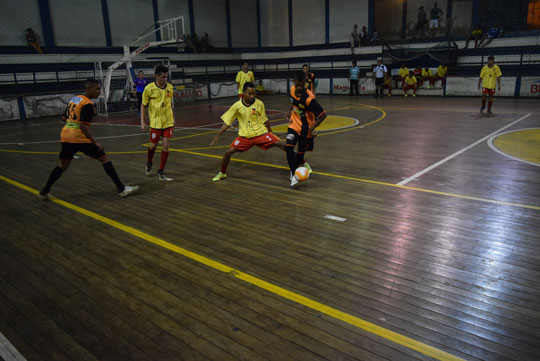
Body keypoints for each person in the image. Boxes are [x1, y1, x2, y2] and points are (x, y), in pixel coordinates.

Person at [39, 79, 138, 199]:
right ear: (88, 89)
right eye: (97, 89)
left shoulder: (75, 99)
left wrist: (71, 126)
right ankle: (121, 189)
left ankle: (45, 190)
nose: (99, 92)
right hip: (79, 138)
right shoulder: (87, 104)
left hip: (66, 137)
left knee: (62, 165)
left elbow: (64, 118)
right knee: (104, 159)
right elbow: (83, 125)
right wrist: (94, 142)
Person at [210, 82, 286, 182]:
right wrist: (218, 135)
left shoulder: (259, 103)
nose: (252, 96)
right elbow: (227, 122)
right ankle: (222, 173)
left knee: (283, 145)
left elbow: (265, 120)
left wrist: (270, 133)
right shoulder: (237, 106)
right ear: (243, 93)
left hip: (260, 134)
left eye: (254, 93)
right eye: (249, 94)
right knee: (227, 153)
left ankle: (299, 164)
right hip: (245, 137)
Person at [286, 70, 327, 188]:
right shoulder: (292, 89)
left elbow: (323, 114)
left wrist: (312, 127)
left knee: (300, 154)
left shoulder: (310, 99)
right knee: (289, 148)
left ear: (305, 83)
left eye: (302, 85)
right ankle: (294, 173)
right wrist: (289, 111)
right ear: (293, 82)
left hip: (305, 129)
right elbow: (293, 101)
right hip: (294, 125)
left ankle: (294, 169)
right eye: (297, 85)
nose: (299, 88)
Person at [140, 65, 175, 181]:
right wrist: (143, 122)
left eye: (166, 77)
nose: (165, 79)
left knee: (165, 146)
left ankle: (161, 172)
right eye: (163, 77)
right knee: (153, 146)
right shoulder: (149, 89)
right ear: (156, 76)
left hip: (168, 122)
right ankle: (149, 162)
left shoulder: (170, 87)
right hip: (155, 123)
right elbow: (143, 105)